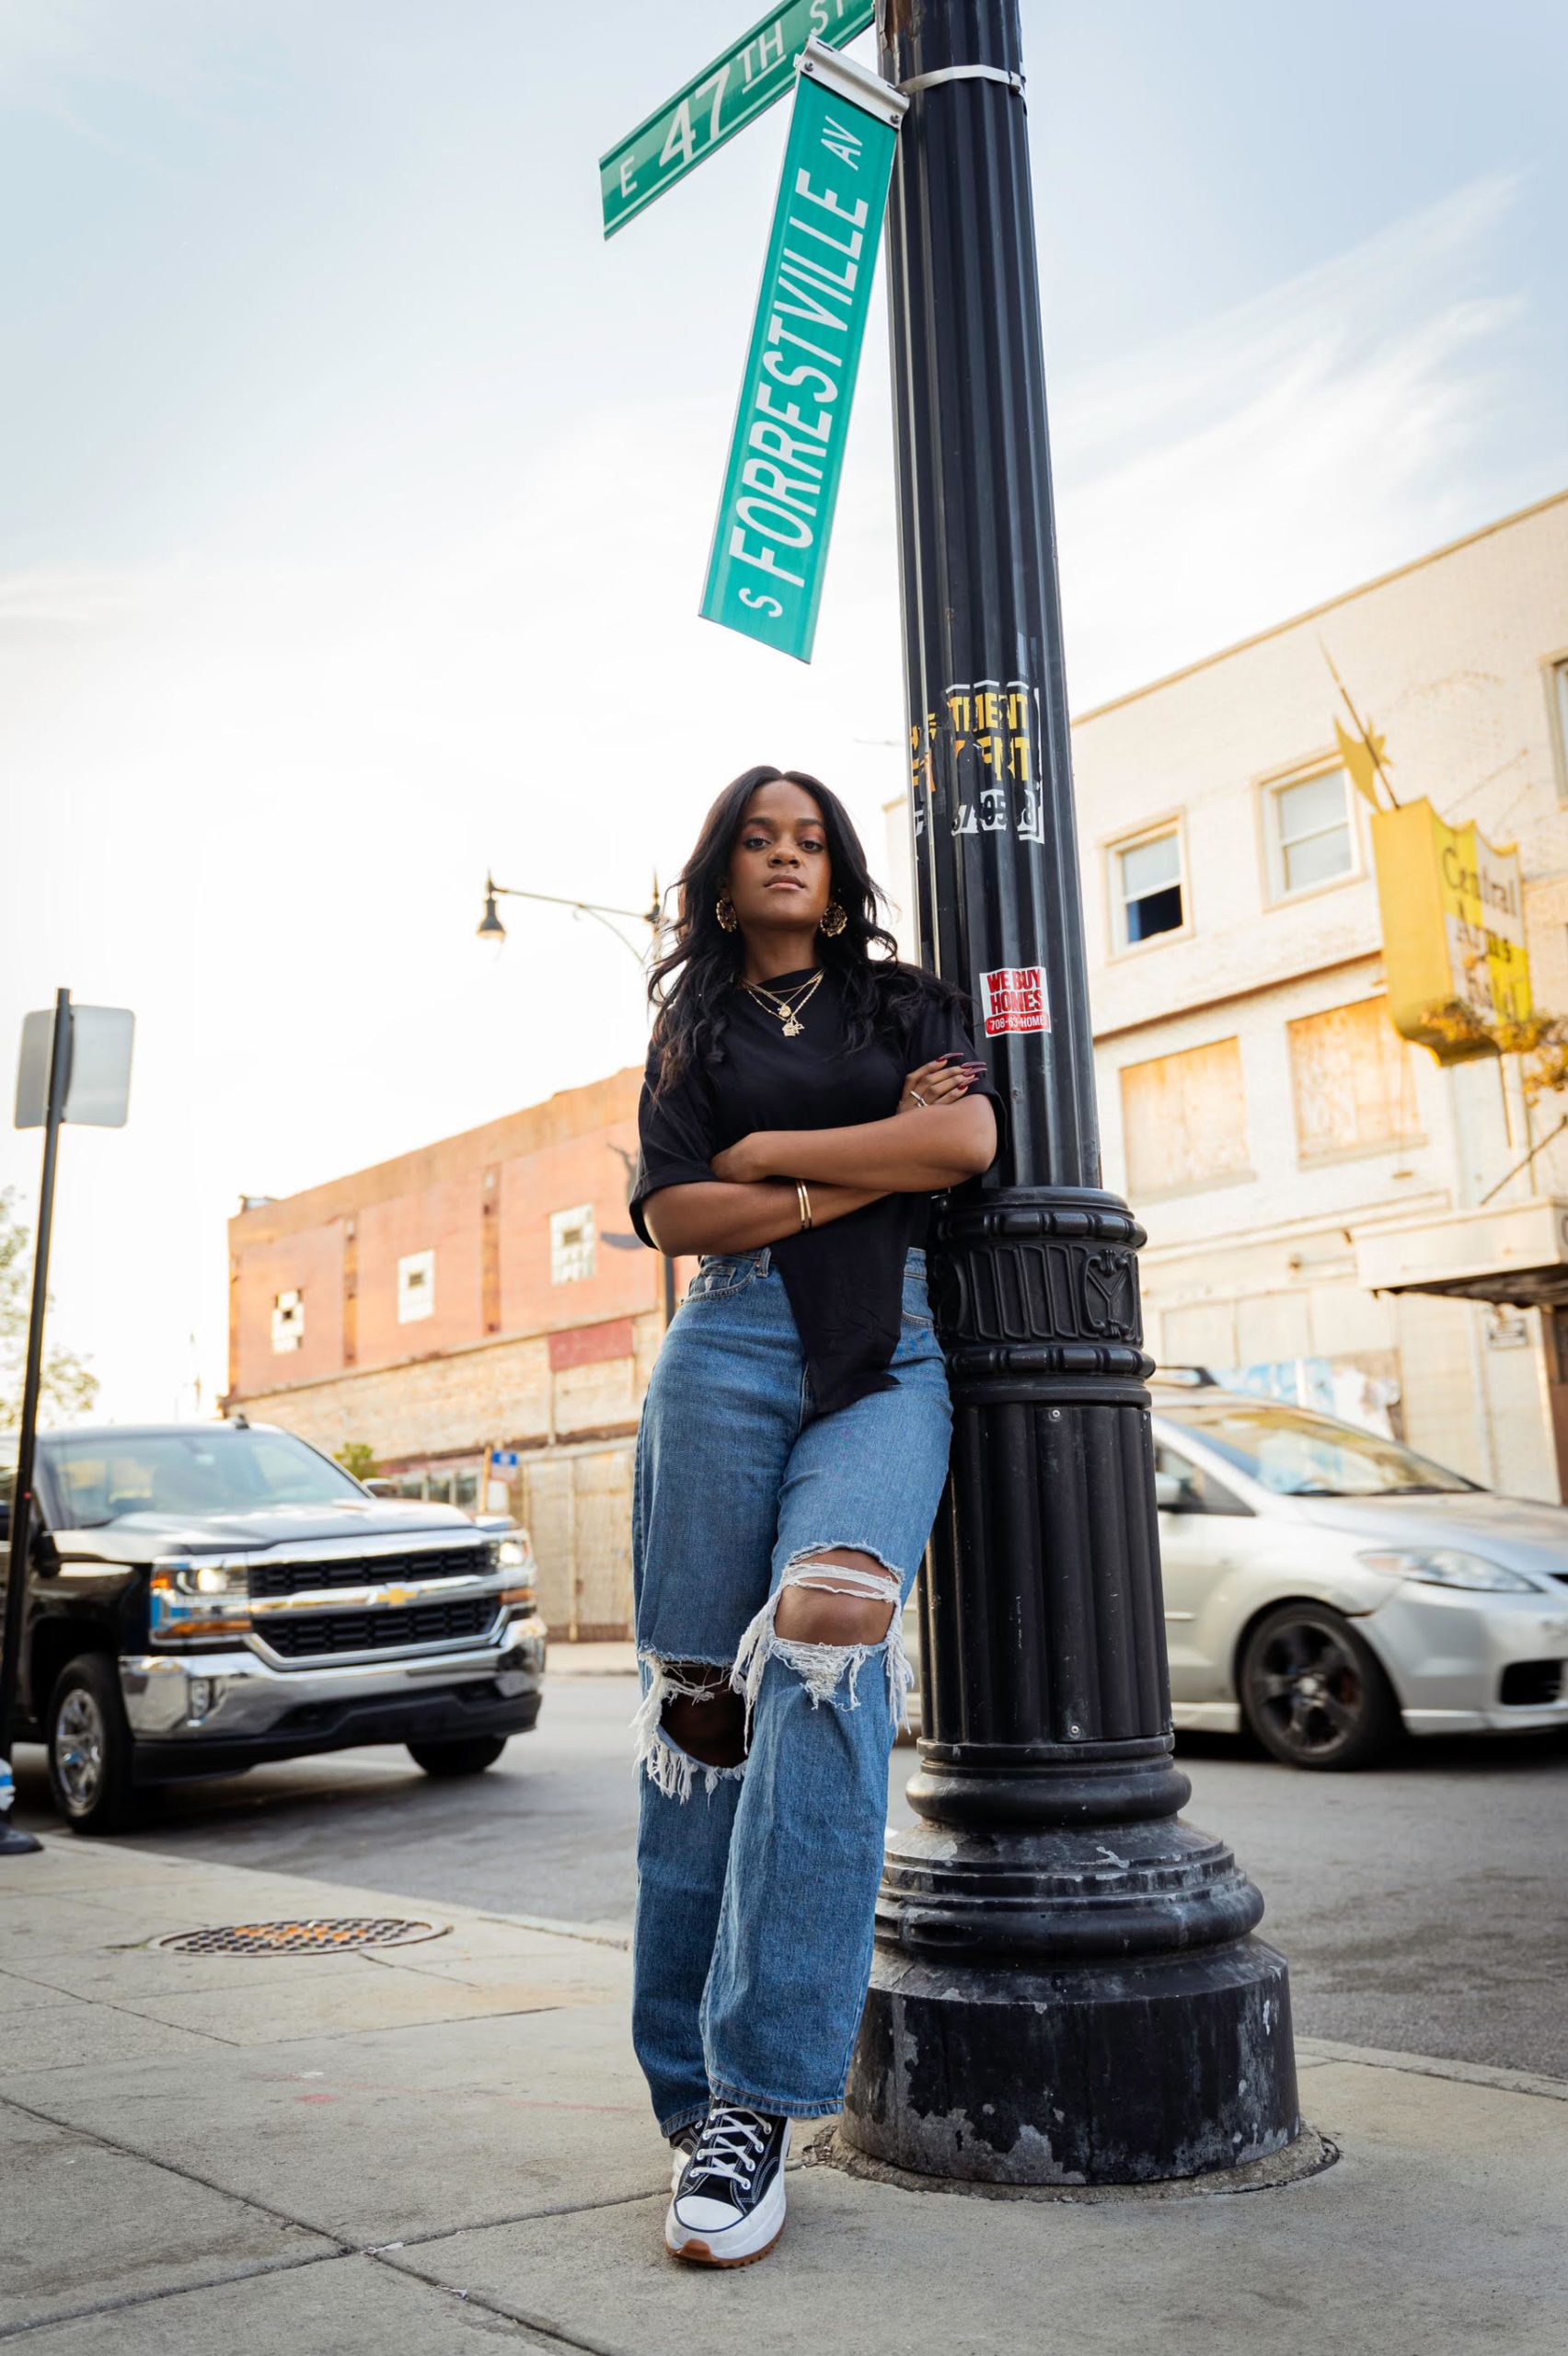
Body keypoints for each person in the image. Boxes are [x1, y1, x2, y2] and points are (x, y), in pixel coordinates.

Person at [628, 764, 1000, 2267]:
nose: (788, 857)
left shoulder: (905, 1005)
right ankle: (687, 2084)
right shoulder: (694, 1026)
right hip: (721, 1350)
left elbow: (963, 1150)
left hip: (882, 1351)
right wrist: (864, 1162)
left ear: (841, 871)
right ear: (723, 875)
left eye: (811, 841)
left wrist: (777, 1161)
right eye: (759, 841)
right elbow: (674, 1215)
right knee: (708, 1716)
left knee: (831, 1625)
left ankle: (760, 2100)